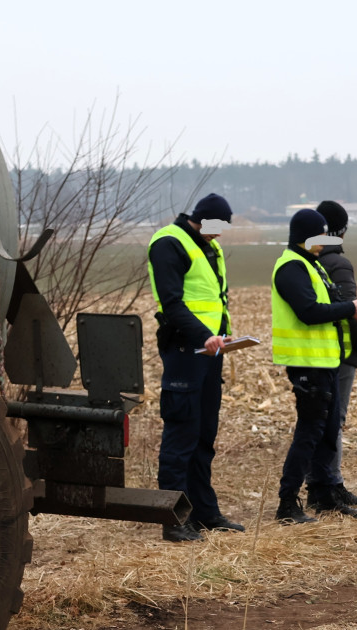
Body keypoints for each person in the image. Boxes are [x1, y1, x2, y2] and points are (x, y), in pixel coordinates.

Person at [146, 193, 242, 542]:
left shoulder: (207, 246)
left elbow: (213, 298)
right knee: (181, 435)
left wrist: (221, 335)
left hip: (209, 351)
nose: (219, 236)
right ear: (202, 220)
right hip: (185, 349)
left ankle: (205, 513)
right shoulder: (169, 243)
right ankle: (174, 520)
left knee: (204, 437)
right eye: (217, 227)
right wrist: (205, 335)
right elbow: (171, 303)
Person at [271, 209, 357, 523]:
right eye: (319, 237)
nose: (324, 243)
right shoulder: (291, 267)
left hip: (325, 362)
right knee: (309, 433)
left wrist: (350, 310)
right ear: (304, 236)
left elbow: (326, 305)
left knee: (328, 432)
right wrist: (349, 309)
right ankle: (287, 503)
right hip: (306, 364)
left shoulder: (311, 264)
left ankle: (326, 497)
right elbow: (309, 311)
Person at [308, 200, 357, 509]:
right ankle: (331, 485)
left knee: (319, 419)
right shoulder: (339, 264)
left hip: (318, 351)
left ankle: (319, 484)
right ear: (341, 232)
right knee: (334, 419)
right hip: (341, 351)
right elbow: (351, 310)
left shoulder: (309, 261)